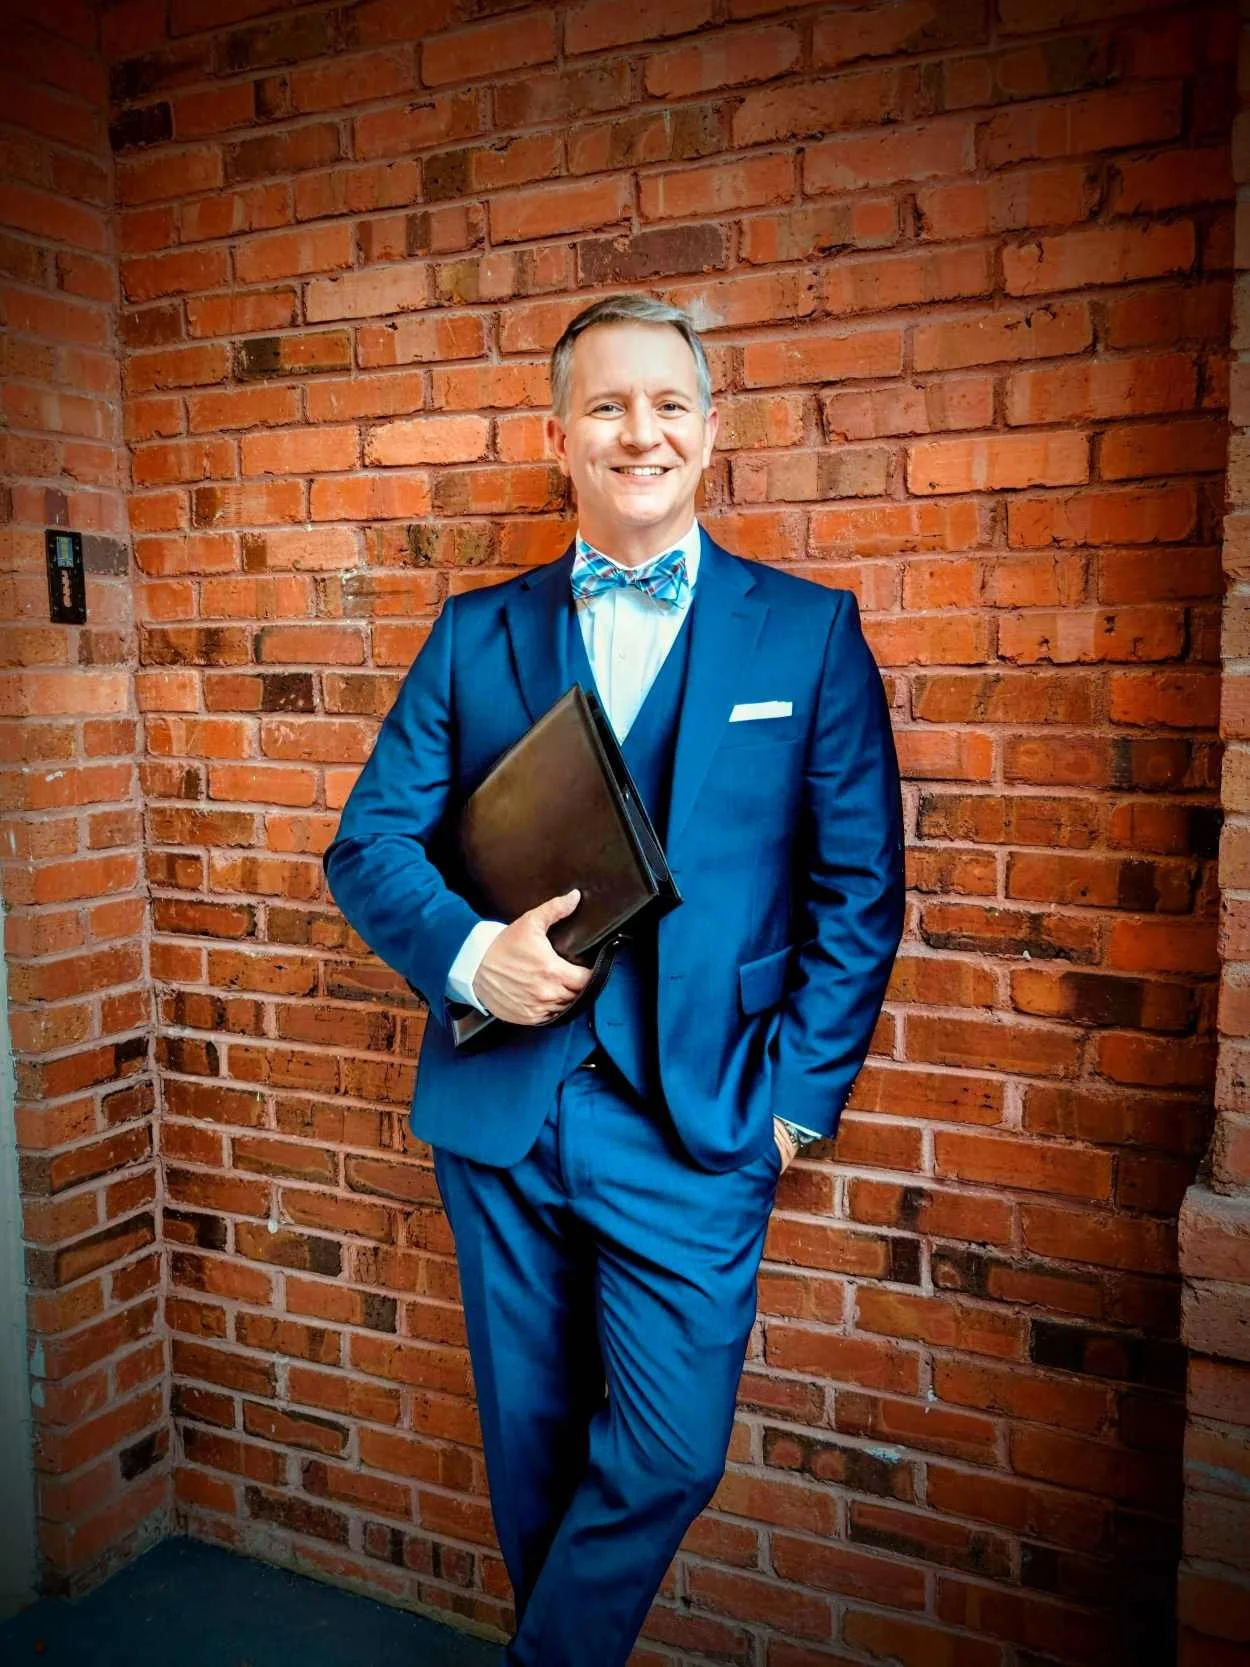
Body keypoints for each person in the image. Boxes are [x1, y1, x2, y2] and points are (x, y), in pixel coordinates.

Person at [324, 293, 905, 1666]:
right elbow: (369, 842)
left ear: (709, 436)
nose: (636, 430)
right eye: (603, 405)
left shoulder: (805, 635)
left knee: (666, 1447)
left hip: (702, 1124)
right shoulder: (477, 634)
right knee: (530, 1451)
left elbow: (857, 890)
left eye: (665, 404)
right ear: (557, 437)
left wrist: (792, 1106)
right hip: (504, 1117)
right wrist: (474, 955)